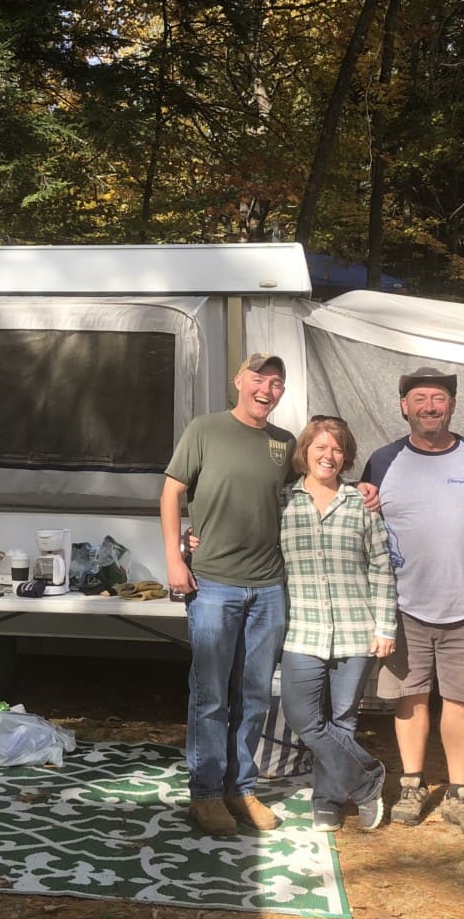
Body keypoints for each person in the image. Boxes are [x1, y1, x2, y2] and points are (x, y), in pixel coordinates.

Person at [360, 367, 464, 839]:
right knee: (410, 698)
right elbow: (362, 523)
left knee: (463, 702)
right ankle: (411, 785)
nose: (429, 406)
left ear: (452, 405)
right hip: (402, 606)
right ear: (403, 406)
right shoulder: (382, 462)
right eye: (419, 398)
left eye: (438, 398)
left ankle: (461, 794)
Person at [161, 353, 295, 837]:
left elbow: (315, 485)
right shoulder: (205, 429)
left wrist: (362, 490)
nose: (267, 388)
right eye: (259, 377)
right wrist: (176, 557)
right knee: (212, 695)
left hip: (268, 587)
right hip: (213, 583)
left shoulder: (284, 443)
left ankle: (242, 788)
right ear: (239, 380)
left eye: (277, 382)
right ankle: (206, 795)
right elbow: (172, 492)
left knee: (256, 694)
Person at [278, 415, 396, 832]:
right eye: (320, 447)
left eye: (337, 449)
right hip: (302, 630)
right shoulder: (284, 503)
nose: (328, 456)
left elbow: (382, 567)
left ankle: (327, 800)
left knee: (343, 719)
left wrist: (385, 627)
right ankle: (367, 781)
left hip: (354, 629)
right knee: (303, 718)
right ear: (305, 452)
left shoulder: (359, 504)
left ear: (345, 457)